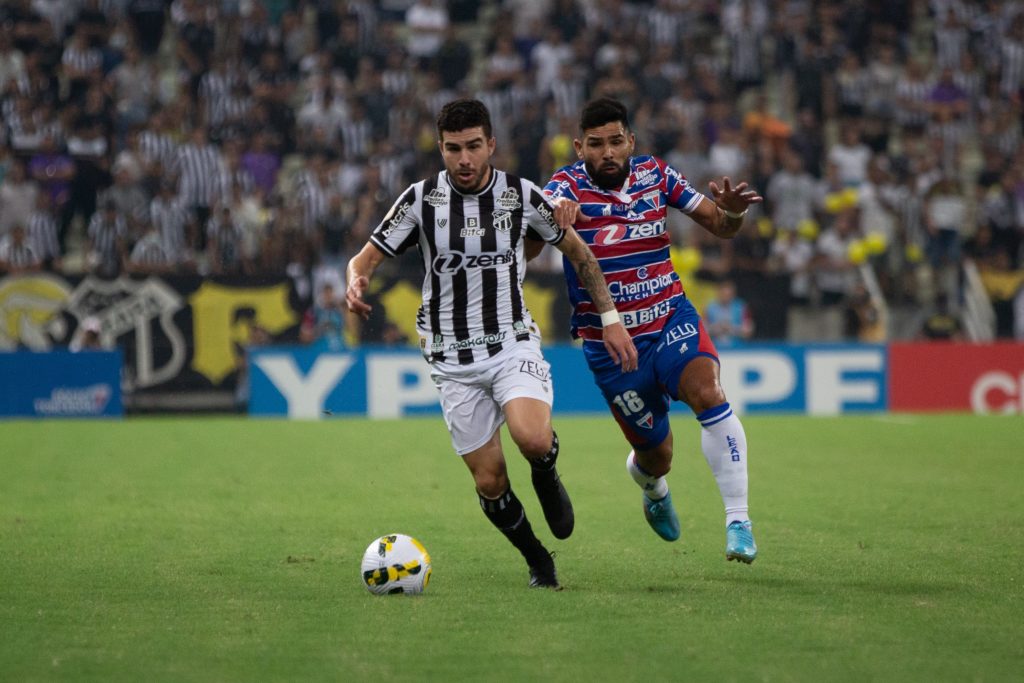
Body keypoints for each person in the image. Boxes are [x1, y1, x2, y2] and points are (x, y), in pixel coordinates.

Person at [346, 99, 637, 590]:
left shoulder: (520, 196)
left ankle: (546, 471)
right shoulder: (420, 200)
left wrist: (610, 318)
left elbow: (580, 254)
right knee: (490, 482)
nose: (464, 159)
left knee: (532, 438)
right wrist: (355, 283)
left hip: (511, 343)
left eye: (474, 147)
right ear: (441, 148)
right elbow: (365, 258)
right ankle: (538, 560)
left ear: (491, 145)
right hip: (451, 360)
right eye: (454, 149)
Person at [536, 97, 762, 563]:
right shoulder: (564, 185)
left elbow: (720, 225)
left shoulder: (657, 174)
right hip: (611, 348)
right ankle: (653, 487)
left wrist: (734, 214)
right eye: (595, 144)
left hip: (670, 318)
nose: (607, 153)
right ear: (580, 147)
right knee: (658, 455)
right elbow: (543, 213)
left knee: (710, 395)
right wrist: (554, 211)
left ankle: (738, 521)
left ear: (630, 142)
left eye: (616, 142)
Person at [703, 280, 754, 347]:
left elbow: (748, 331)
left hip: (738, 348)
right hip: (716, 348)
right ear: (719, 293)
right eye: (723, 294)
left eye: (728, 295)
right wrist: (717, 328)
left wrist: (732, 329)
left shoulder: (741, 307)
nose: (726, 297)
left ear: (733, 294)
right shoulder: (709, 308)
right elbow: (702, 331)